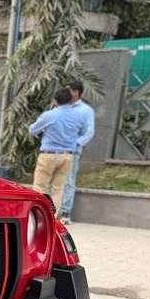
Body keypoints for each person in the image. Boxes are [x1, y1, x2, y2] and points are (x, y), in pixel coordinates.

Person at [27, 88, 89, 210]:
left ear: (55, 101)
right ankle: (54, 217)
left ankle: (37, 214)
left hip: (49, 155)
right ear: (71, 101)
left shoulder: (50, 115)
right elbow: (83, 133)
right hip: (68, 156)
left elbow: (32, 130)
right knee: (58, 188)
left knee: (40, 186)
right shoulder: (78, 117)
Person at [59, 79, 95, 224]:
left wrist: (75, 144)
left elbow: (89, 131)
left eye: (69, 90)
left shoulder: (85, 110)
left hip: (71, 151)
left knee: (68, 181)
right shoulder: (62, 107)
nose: (67, 93)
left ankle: (65, 213)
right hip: (55, 150)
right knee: (55, 182)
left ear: (76, 92)